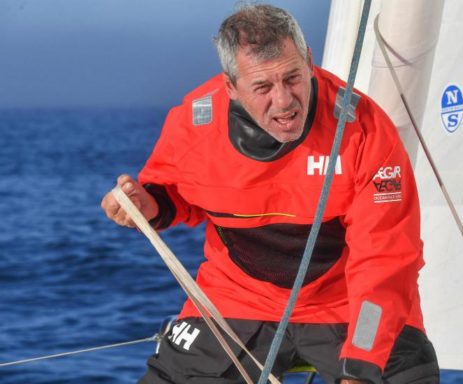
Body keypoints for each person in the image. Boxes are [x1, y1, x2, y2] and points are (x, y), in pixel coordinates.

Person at [100, 4, 438, 384]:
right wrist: (146, 206)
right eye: (262, 87)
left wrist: (361, 364)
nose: (283, 101)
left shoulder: (364, 131)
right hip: (235, 302)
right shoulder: (195, 124)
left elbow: (385, 259)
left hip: (346, 307)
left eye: (293, 78)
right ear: (230, 87)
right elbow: (172, 194)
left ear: (309, 61)